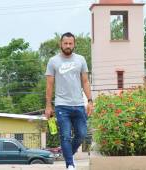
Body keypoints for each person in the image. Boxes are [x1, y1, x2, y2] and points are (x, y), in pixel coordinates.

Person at [44, 32, 93, 170]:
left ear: (74, 44)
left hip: (78, 104)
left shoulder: (81, 60)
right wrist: (48, 106)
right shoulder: (53, 61)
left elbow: (85, 81)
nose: (68, 46)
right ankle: (70, 165)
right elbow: (49, 85)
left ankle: (67, 154)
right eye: (65, 43)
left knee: (82, 134)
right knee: (65, 136)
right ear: (61, 44)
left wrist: (90, 101)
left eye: (70, 43)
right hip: (61, 105)